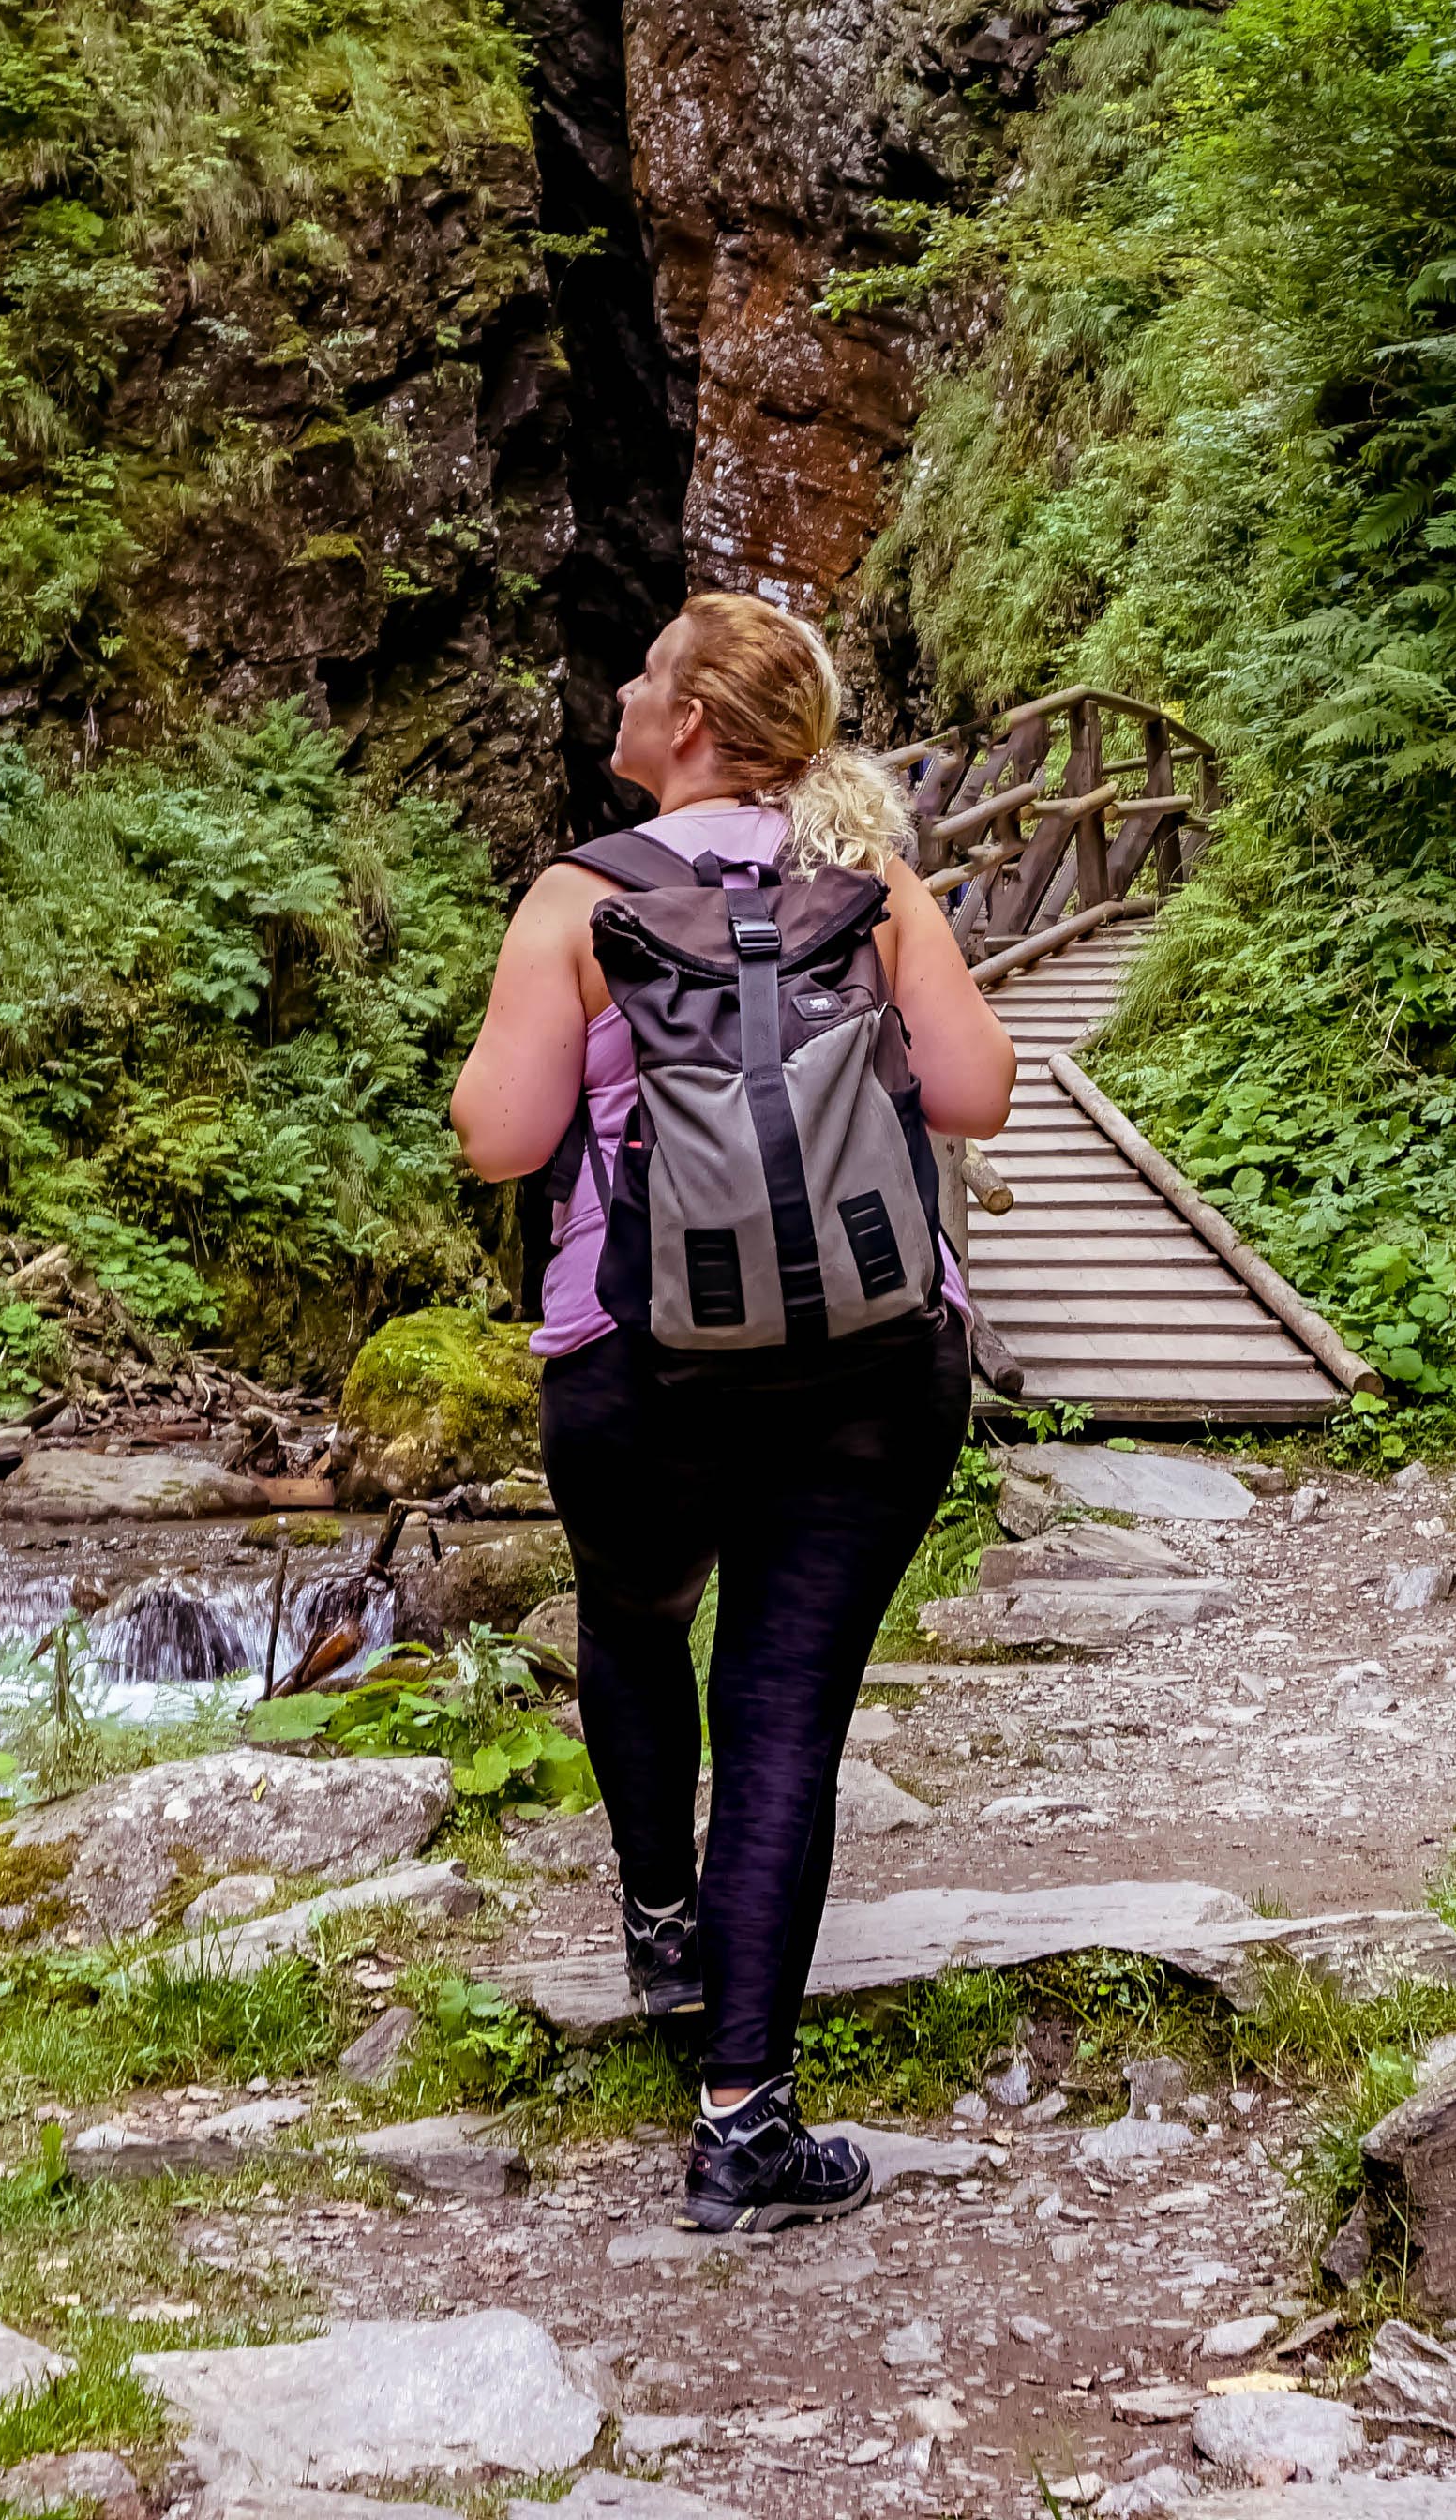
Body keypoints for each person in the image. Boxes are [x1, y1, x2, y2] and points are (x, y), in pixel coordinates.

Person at [446, 592, 1017, 2230]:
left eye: (644, 676)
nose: (623, 696)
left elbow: (499, 1137)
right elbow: (975, 1092)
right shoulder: (871, 886)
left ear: (689, 720)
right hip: (872, 1357)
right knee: (784, 1712)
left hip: (638, 1362)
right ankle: (746, 2125)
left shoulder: (580, 899)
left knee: (635, 1620)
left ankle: (660, 1923)